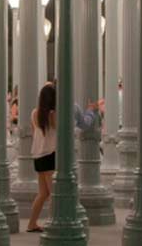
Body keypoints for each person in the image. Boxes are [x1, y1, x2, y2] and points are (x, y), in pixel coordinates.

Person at [25, 81, 103, 232]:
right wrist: (90, 111)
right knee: (55, 194)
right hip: (50, 155)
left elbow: (37, 134)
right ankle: (55, 222)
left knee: (43, 193)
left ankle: (32, 223)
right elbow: (74, 126)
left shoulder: (35, 113)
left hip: (38, 156)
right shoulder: (54, 115)